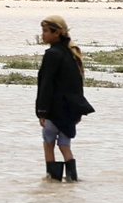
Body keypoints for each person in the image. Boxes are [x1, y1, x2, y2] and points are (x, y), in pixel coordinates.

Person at [36, 15, 94, 181]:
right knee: (64, 145)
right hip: (69, 110)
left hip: (54, 109)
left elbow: (46, 84)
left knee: (48, 143)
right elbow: (77, 85)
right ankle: (71, 179)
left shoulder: (52, 54)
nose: (43, 34)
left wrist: (41, 111)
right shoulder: (71, 54)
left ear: (57, 33)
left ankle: (52, 178)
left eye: (46, 31)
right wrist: (78, 111)